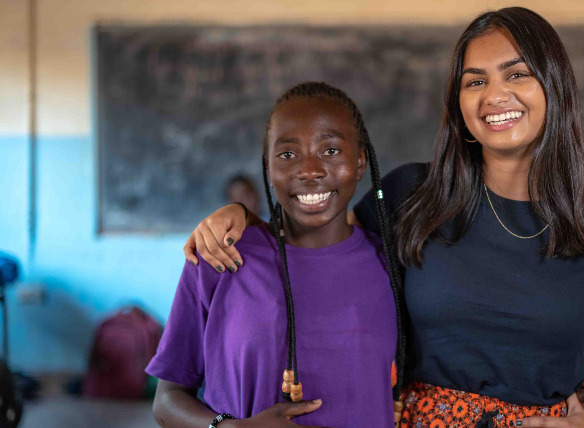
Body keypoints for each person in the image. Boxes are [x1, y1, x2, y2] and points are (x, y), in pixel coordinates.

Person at [185, 8, 584, 428]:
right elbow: (316, 240)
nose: (495, 95)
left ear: (555, 86)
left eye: (517, 74)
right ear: (459, 105)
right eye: (474, 81)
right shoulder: (413, 194)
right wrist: (244, 217)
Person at [148, 82, 408, 427]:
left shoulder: (391, 264)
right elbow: (167, 400)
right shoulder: (219, 256)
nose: (310, 170)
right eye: (287, 154)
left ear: (360, 163)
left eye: (330, 150)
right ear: (268, 169)